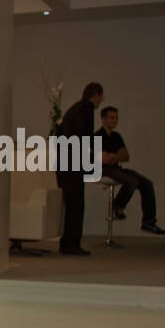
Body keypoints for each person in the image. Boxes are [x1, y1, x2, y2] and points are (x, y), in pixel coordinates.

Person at [96, 106, 164, 235]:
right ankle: (118, 205)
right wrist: (114, 156)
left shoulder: (116, 136)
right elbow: (102, 159)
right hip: (103, 170)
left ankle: (149, 222)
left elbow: (126, 156)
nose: (115, 120)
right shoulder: (97, 136)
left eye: (116, 118)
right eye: (112, 118)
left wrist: (112, 156)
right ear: (103, 119)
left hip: (115, 168)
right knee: (131, 181)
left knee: (147, 183)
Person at [55, 81, 102, 255]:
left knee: (70, 205)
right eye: (100, 98)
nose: (99, 103)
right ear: (96, 95)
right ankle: (72, 244)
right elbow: (85, 135)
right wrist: (92, 157)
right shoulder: (87, 109)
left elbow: (58, 133)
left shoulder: (72, 109)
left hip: (63, 163)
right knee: (77, 205)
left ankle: (66, 243)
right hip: (74, 164)